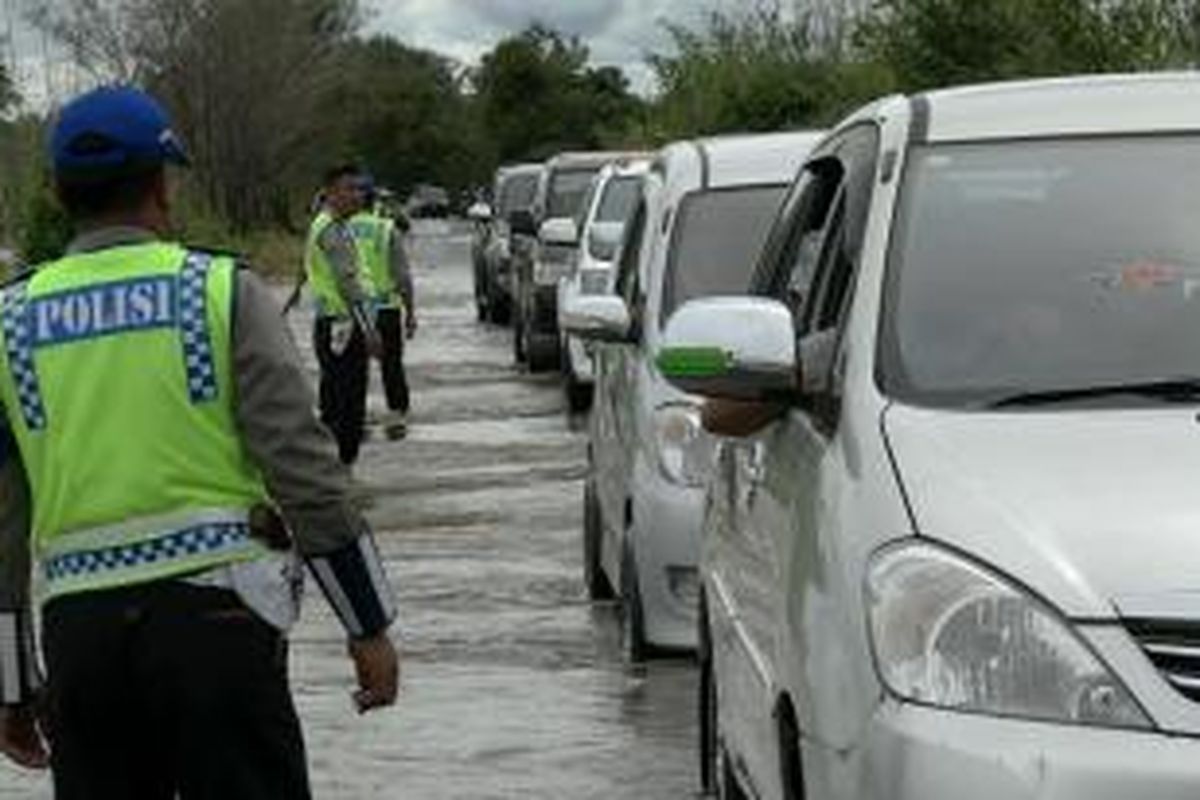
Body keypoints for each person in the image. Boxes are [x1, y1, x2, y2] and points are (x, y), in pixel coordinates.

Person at [0, 85, 399, 799]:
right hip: (221, 628)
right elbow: (304, 469)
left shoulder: (9, 322)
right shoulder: (218, 291)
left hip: (82, 641)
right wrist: (367, 624)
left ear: (59, 192)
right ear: (161, 185)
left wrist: (9, 684)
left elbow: (1, 529)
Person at [303, 165, 383, 465]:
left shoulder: (328, 223)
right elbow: (347, 282)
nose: (358, 195)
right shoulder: (331, 229)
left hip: (333, 325)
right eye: (350, 189)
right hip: (344, 326)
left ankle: (334, 468)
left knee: (335, 400)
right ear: (332, 193)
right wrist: (370, 331)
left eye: (360, 189)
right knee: (349, 405)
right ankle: (342, 470)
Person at [348, 174, 416, 439]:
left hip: (352, 310)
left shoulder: (337, 228)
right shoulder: (386, 229)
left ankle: (357, 415)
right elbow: (402, 277)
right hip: (386, 308)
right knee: (392, 365)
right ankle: (397, 412)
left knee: (354, 367)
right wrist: (411, 312)